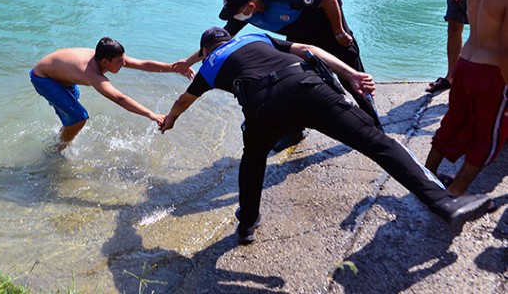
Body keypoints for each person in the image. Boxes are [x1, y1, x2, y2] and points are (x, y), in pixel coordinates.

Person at [160, 27, 491, 244]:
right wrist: (350, 73)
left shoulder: (208, 66)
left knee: (253, 161)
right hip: (304, 87)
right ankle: (445, 203)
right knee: (378, 143)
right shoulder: (253, 37)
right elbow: (307, 50)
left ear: (206, 50)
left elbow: (184, 100)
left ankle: (247, 225)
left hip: (261, 106)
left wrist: (170, 119)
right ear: (227, 38)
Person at [173, 0, 382, 151]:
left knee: (352, 79)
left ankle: (375, 130)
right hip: (299, 36)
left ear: (251, 5)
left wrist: (339, 32)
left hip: (330, 32)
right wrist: (188, 62)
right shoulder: (243, 15)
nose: (234, 18)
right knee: (300, 82)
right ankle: (294, 131)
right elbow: (218, 44)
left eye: (236, 12)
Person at [425, 0, 508, 199]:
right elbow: (506, 50)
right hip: (493, 73)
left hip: (466, 62)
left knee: (454, 121)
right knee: (488, 137)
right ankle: (457, 191)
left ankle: (425, 176)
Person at [30, 37, 194, 150]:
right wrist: (152, 115)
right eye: (119, 62)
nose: (124, 63)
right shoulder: (92, 74)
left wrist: (176, 68)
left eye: (123, 59)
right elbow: (120, 99)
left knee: (72, 115)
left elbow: (143, 64)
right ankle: (57, 151)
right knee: (79, 117)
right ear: (104, 62)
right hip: (44, 78)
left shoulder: (109, 56)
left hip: (61, 76)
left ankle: (61, 137)